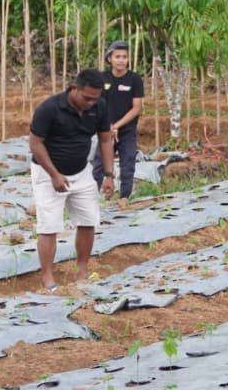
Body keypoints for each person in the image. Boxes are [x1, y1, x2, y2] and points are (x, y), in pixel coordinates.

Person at [29, 69, 115, 291]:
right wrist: (54, 175)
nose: (90, 103)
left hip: (81, 172)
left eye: (95, 99)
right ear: (74, 88)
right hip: (48, 174)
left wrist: (108, 175)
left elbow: (105, 141)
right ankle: (47, 277)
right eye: (87, 98)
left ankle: (83, 270)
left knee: (88, 221)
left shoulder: (100, 106)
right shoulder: (49, 108)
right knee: (49, 226)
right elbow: (36, 144)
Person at [93, 40, 145, 199]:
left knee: (128, 164)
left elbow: (136, 108)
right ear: (110, 59)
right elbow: (96, 104)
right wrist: (107, 127)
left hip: (127, 130)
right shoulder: (102, 78)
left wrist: (116, 126)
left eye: (124, 57)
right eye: (117, 56)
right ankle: (94, 198)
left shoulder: (134, 79)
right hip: (105, 131)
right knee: (99, 165)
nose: (121, 60)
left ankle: (124, 198)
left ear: (128, 59)